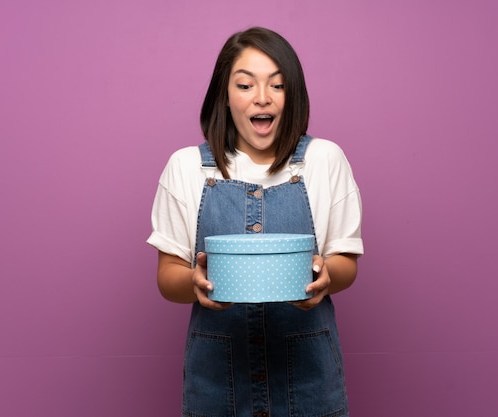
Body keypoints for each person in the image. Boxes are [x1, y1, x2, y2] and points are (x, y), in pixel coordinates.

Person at [147, 26, 363, 417]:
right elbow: (167, 277)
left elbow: (346, 263)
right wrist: (194, 283)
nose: (261, 97)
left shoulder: (325, 160)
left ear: (292, 95)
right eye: (245, 85)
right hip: (216, 387)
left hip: (310, 387)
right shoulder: (186, 167)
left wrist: (326, 275)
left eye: (277, 86)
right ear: (225, 97)